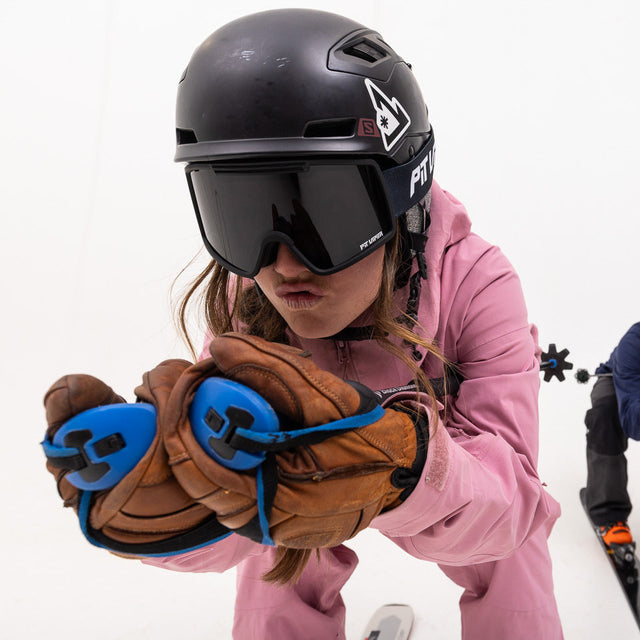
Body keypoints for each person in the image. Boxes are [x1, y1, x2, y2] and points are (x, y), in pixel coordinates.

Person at [42, 9, 564, 639]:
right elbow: (236, 524)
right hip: (314, 481)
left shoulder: (476, 282)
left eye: (325, 216)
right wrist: (184, 504)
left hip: (452, 474)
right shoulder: (246, 296)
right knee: (270, 504)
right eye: (243, 220)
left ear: (403, 199)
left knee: (512, 548)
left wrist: (403, 470)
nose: (284, 265)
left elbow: (513, 503)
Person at [583, 322, 640, 548]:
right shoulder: (635, 342)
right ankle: (609, 514)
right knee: (605, 416)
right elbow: (632, 419)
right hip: (617, 386)